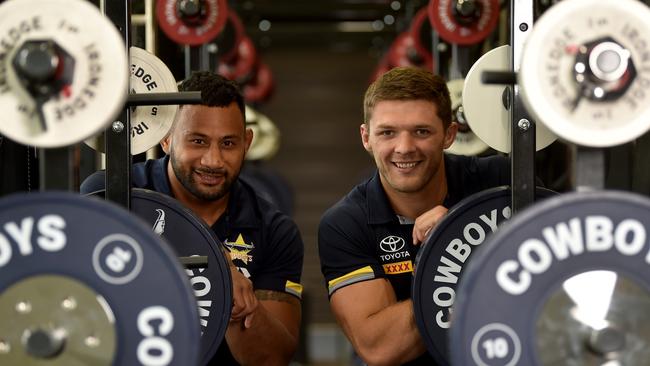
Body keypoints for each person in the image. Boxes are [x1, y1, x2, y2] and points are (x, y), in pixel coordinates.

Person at [81, 71, 303, 365]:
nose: (213, 160)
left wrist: (231, 302)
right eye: (198, 141)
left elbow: (270, 358)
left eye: (228, 144)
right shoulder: (111, 194)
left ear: (247, 142)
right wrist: (216, 273)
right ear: (166, 138)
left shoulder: (275, 230)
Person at [318, 67, 510, 365]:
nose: (404, 148)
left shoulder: (501, 182)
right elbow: (380, 347)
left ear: (449, 135)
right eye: (387, 132)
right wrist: (451, 253)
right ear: (366, 137)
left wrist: (459, 232)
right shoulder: (345, 224)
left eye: (421, 131)